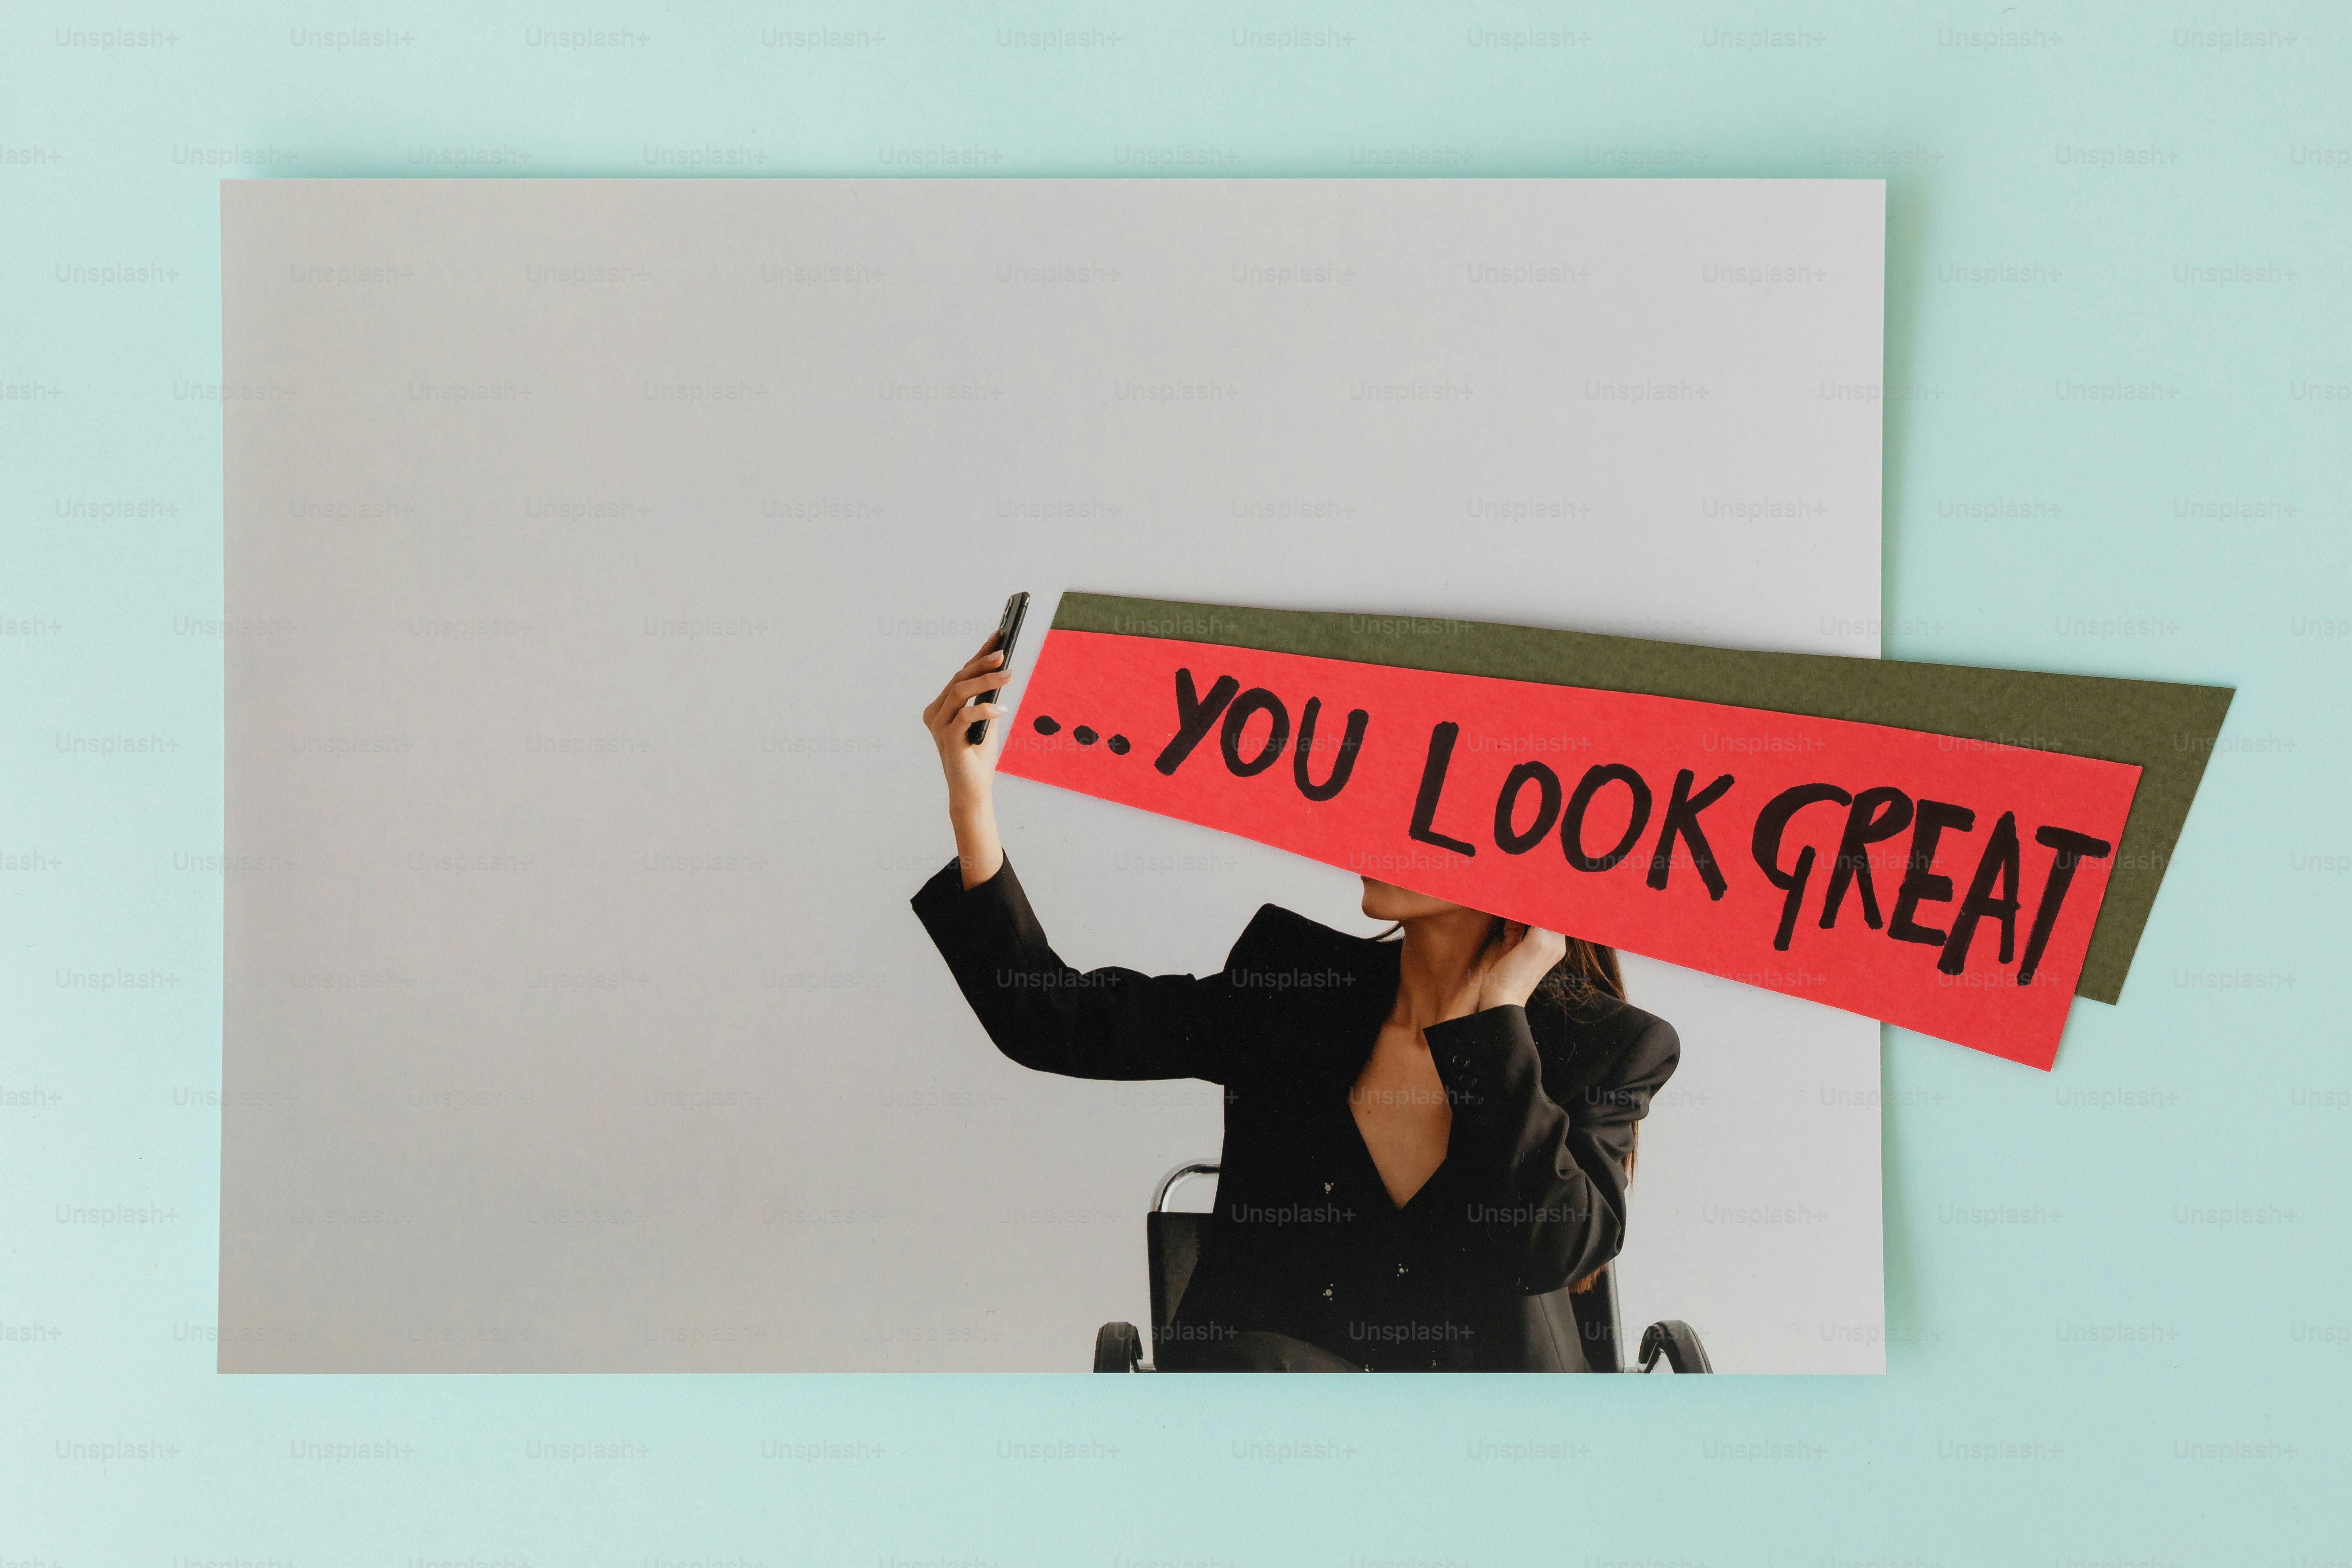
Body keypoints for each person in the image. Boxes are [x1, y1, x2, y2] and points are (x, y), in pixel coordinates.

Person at [913, 635, 1680, 1371]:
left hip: (1498, 1453)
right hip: (1270, 1430)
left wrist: (1498, 1022)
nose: (1373, 823)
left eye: (1418, 803)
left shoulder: (1612, 1048)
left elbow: (1550, 1248)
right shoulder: (1293, 988)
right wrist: (970, 805)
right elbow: (1056, 1023)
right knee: (1260, 1364)